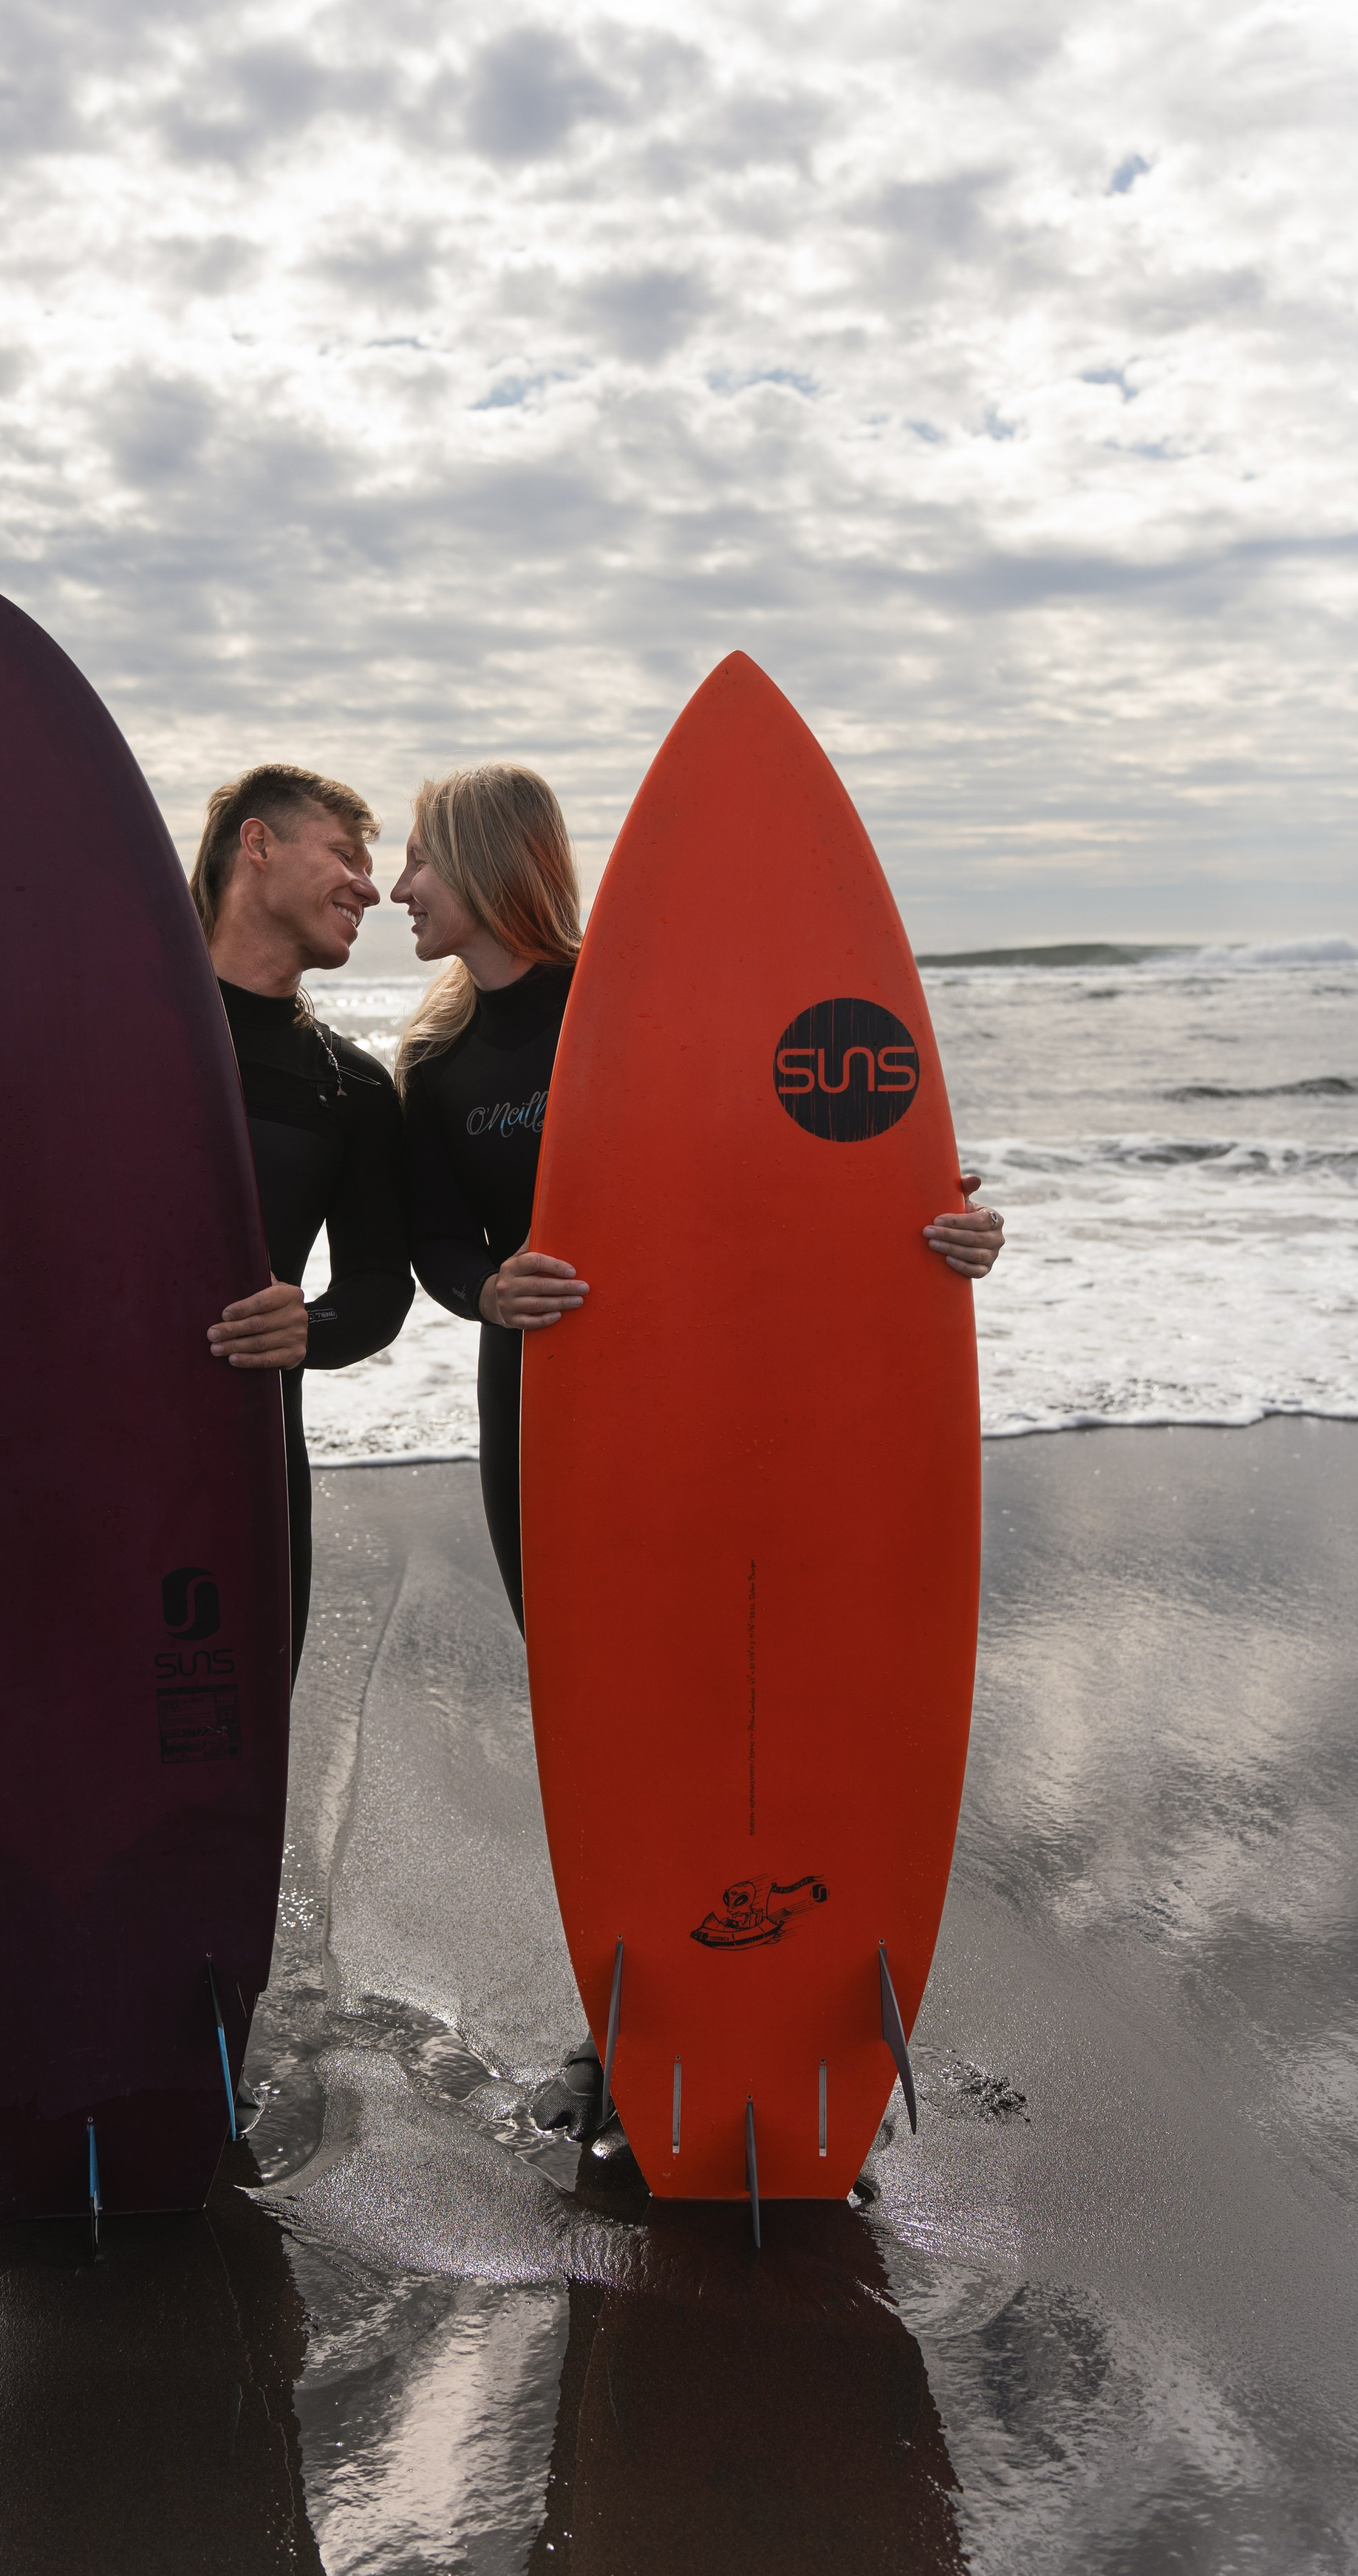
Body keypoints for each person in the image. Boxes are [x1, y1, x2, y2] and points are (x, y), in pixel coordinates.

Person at [389, 762, 1007, 2142]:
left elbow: (797, 1167)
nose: (397, 888)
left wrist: (942, 1222)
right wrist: (486, 1289)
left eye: (420, 858)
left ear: (488, 863)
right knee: (596, 1705)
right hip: (547, 1414)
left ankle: (779, 1985)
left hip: (708, 1409)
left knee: (739, 1683)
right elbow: (433, 1241)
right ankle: (625, 2030)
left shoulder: (644, 1008)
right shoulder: (433, 1063)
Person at [0, 764, 413, 1684]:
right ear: (256, 845)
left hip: (235, 1478)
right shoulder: (79, 1039)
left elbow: (380, 1285)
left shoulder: (353, 1087)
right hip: (44, 1469)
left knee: (226, 1764)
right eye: (345, 854)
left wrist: (313, 1328)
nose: (369, 886)